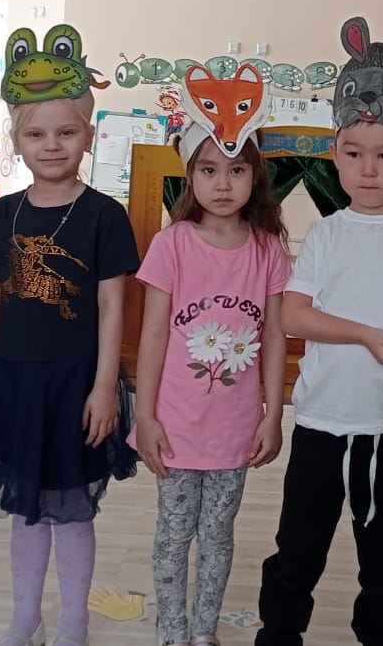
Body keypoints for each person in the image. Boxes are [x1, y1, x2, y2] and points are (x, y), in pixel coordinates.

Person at [256, 16, 383, 646]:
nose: (369, 169)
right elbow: (293, 315)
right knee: (296, 551)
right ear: (335, 155)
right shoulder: (326, 233)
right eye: (354, 154)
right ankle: (279, 634)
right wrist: (365, 335)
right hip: (320, 421)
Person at [0, 24, 138, 646]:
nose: (51, 145)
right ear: (16, 141)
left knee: (72, 509)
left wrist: (105, 387)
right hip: (14, 381)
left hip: (77, 383)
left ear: (88, 135)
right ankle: (23, 616)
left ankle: (74, 619)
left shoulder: (105, 215)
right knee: (26, 510)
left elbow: (112, 305)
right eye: (35, 134)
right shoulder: (1, 214)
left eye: (65, 132)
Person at [131, 62, 291, 646]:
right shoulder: (171, 244)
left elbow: (275, 336)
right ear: (190, 175)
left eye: (236, 169)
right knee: (174, 533)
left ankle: (203, 633)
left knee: (218, 534)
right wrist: (145, 416)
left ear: (255, 176)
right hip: (175, 426)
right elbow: (153, 335)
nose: (223, 183)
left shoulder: (268, 249)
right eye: (208, 170)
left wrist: (273, 414)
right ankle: (172, 632)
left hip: (235, 429)